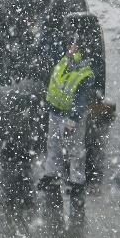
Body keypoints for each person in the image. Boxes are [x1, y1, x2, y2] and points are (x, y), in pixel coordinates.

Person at [37, 40, 95, 223]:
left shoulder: (84, 74)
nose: (70, 49)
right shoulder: (66, 61)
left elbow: (80, 101)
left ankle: (77, 181)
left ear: (80, 52)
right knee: (53, 143)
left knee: (75, 149)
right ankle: (51, 173)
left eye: (74, 47)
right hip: (55, 111)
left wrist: (72, 120)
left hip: (70, 116)